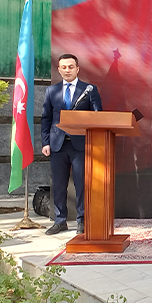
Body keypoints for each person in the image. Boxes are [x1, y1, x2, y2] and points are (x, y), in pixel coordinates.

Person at [41, 54, 102, 235]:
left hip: (80, 145)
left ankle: (82, 220)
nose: (67, 70)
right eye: (64, 67)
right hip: (57, 145)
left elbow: (98, 116)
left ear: (77, 69)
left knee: (81, 184)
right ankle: (60, 221)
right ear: (59, 70)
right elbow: (46, 119)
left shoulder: (89, 90)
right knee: (59, 185)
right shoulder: (51, 91)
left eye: (70, 67)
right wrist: (46, 142)